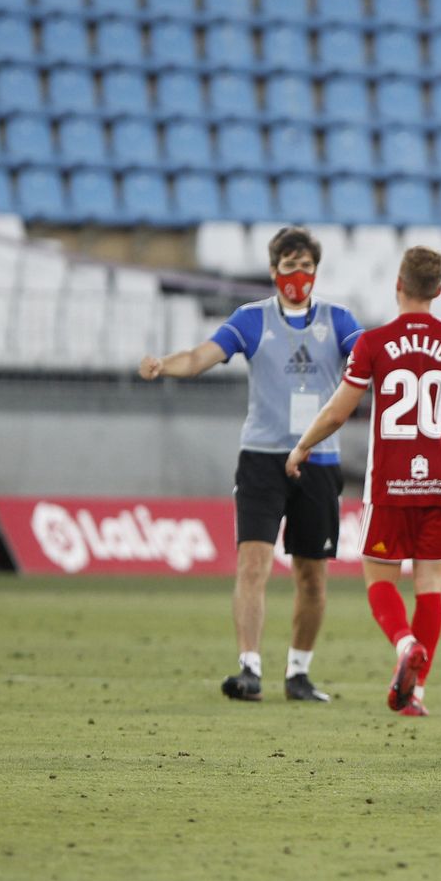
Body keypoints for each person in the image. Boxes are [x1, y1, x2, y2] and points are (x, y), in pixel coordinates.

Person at [139, 226, 362, 704]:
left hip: (319, 459)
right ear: (273, 270)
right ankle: (249, 669)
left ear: (315, 271)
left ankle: (298, 673)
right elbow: (202, 356)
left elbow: (370, 359)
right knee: (252, 565)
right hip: (262, 458)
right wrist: (165, 365)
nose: (297, 276)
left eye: (305, 268)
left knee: (312, 575)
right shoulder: (251, 319)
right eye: (289, 267)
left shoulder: (339, 320)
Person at [285, 246, 441, 715]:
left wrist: (303, 445)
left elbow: (338, 410)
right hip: (440, 486)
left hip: (389, 483)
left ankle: (404, 643)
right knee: (430, 585)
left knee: (378, 578)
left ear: (399, 285)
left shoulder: (374, 343)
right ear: (439, 291)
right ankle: (417, 691)